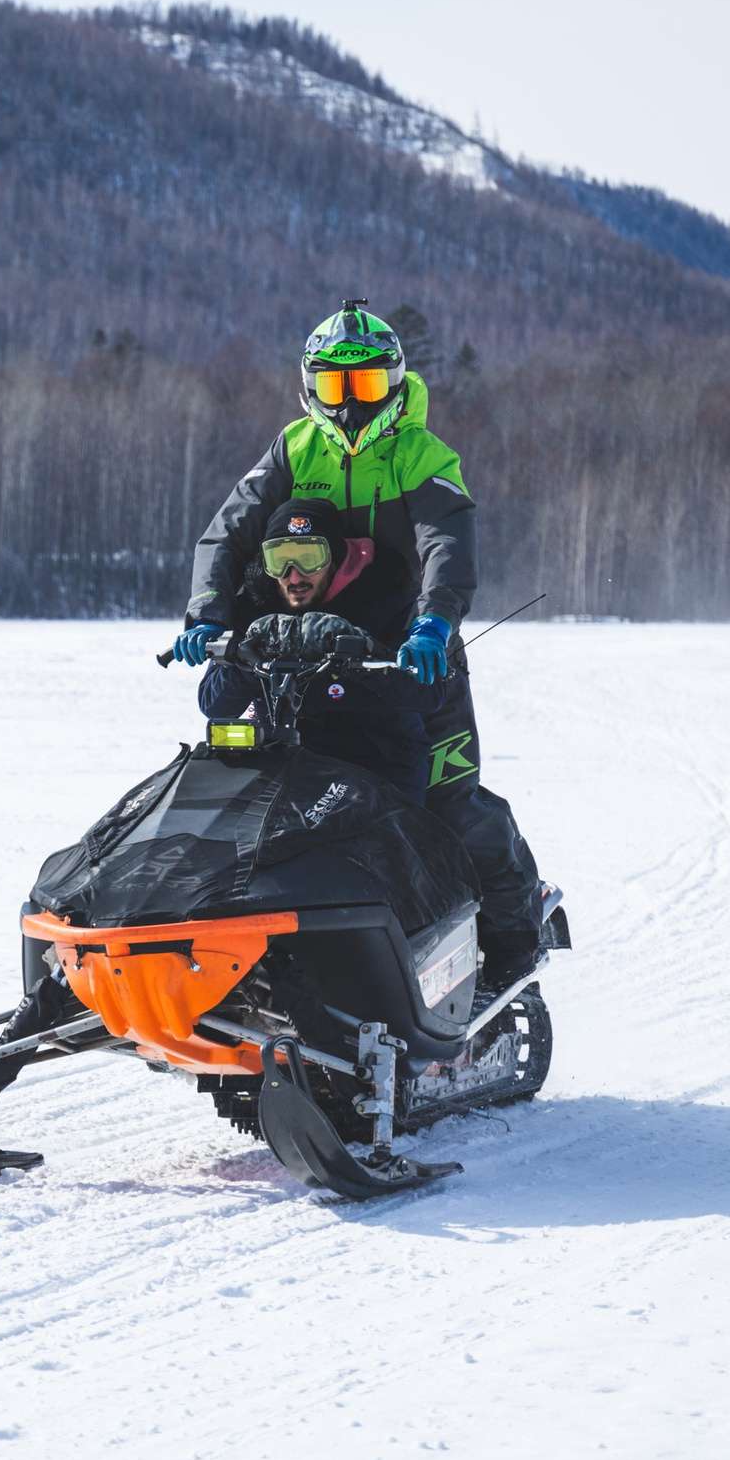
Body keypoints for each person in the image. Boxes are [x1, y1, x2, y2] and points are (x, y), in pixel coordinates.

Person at [172, 300, 547, 976]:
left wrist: (434, 622)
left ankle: (510, 955)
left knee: (450, 807)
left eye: (366, 385)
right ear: (310, 386)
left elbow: (446, 543)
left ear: (396, 385)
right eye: (334, 386)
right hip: (304, 651)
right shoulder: (294, 447)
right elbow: (229, 531)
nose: (348, 405)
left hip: (407, 651)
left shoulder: (421, 454)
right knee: (255, 794)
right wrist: (208, 615)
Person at [197, 499, 434, 802]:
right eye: (280, 560)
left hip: (378, 768)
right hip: (278, 764)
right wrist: (254, 652)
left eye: (309, 557)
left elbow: (429, 692)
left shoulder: (390, 602)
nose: (294, 576)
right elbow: (214, 703)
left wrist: (361, 649)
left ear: (334, 558)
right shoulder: (252, 611)